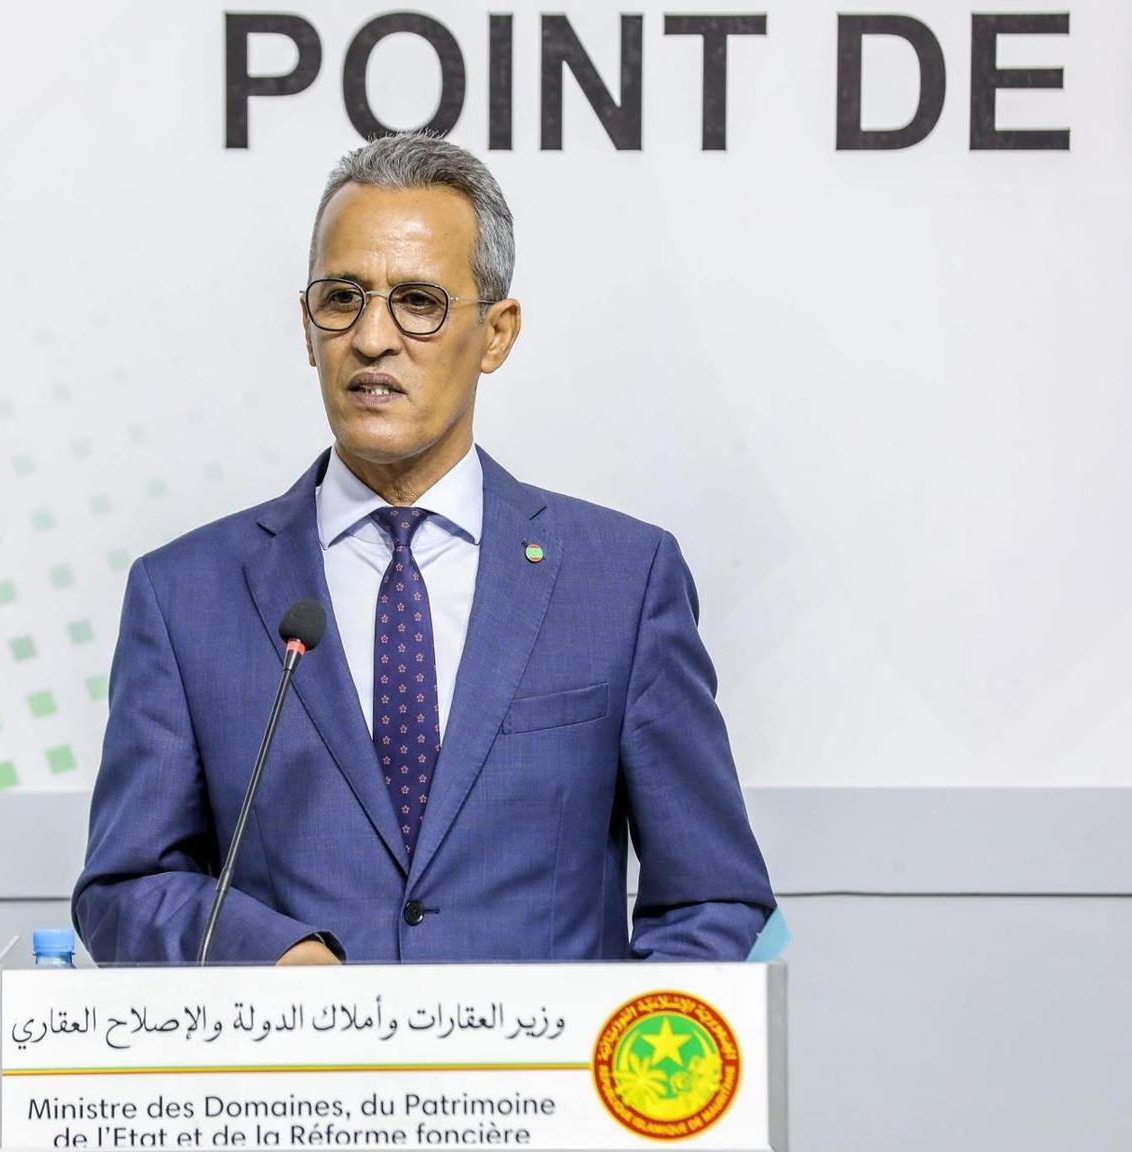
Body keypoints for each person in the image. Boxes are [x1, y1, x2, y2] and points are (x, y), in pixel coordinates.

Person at [73, 132, 773, 966]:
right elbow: (125, 888)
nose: (373, 338)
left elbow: (711, 896)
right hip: (296, 1052)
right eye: (342, 298)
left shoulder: (621, 581)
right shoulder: (185, 595)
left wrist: (625, 1043)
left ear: (497, 333)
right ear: (308, 328)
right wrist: (272, 957)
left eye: (418, 302)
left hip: (543, 1055)